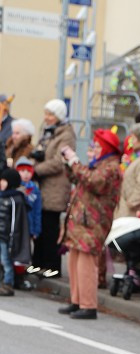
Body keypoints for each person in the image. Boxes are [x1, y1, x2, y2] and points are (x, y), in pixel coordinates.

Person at [57, 129, 122, 320]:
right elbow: (78, 178)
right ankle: (76, 300)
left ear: (105, 149)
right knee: (74, 261)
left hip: (93, 223)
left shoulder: (110, 168)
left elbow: (94, 182)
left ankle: (88, 305)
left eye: (96, 147)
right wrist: (68, 164)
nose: (91, 150)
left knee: (86, 264)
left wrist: (74, 161)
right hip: (81, 221)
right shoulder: (99, 165)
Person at [29, 99, 76, 276]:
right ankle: (37, 264)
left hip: (55, 186)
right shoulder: (48, 132)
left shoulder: (66, 135)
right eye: (46, 114)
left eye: (50, 114)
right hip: (42, 186)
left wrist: (36, 170)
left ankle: (52, 266)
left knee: (50, 228)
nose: (46, 118)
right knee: (39, 228)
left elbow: (58, 162)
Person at [0, 167, 30, 296]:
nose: (1, 183)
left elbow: (14, 222)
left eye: (4, 181)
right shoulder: (2, 197)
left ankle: (8, 284)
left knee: (6, 261)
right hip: (0, 235)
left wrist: (12, 238)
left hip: (6, 236)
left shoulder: (15, 200)